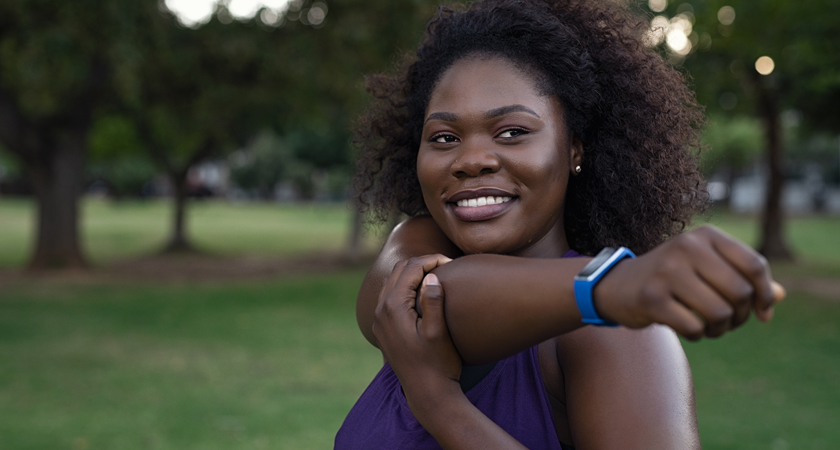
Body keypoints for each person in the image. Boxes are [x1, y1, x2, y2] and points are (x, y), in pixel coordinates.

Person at [335, 1, 785, 448]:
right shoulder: (415, 244)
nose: (471, 160)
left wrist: (440, 406)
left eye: (512, 131)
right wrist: (611, 285)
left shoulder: (622, 337)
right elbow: (434, 298)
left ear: (574, 150)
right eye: (444, 138)